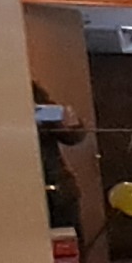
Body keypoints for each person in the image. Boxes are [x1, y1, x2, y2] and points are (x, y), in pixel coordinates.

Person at [32, 80, 88, 229]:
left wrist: (69, 123)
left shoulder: (30, 90)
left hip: (56, 189)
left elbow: (74, 136)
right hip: (21, 187)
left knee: (66, 238)